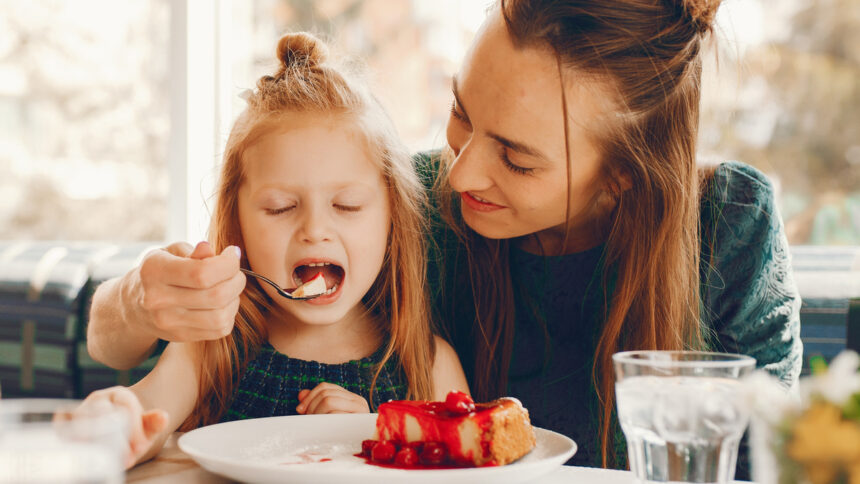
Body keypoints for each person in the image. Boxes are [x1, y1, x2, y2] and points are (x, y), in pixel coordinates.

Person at [86, 0, 801, 471]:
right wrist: (139, 300)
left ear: (622, 178)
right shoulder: (399, 204)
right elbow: (122, 339)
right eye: (461, 114)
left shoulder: (730, 229)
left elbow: (772, 461)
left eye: (516, 157)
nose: (459, 178)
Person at [79, 32, 468, 468]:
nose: (315, 230)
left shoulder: (427, 364)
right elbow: (146, 418)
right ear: (238, 221)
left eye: (347, 205)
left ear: (393, 218)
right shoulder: (212, 346)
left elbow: (462, 469)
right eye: (281, 208)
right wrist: (116, 420)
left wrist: (371, 438)